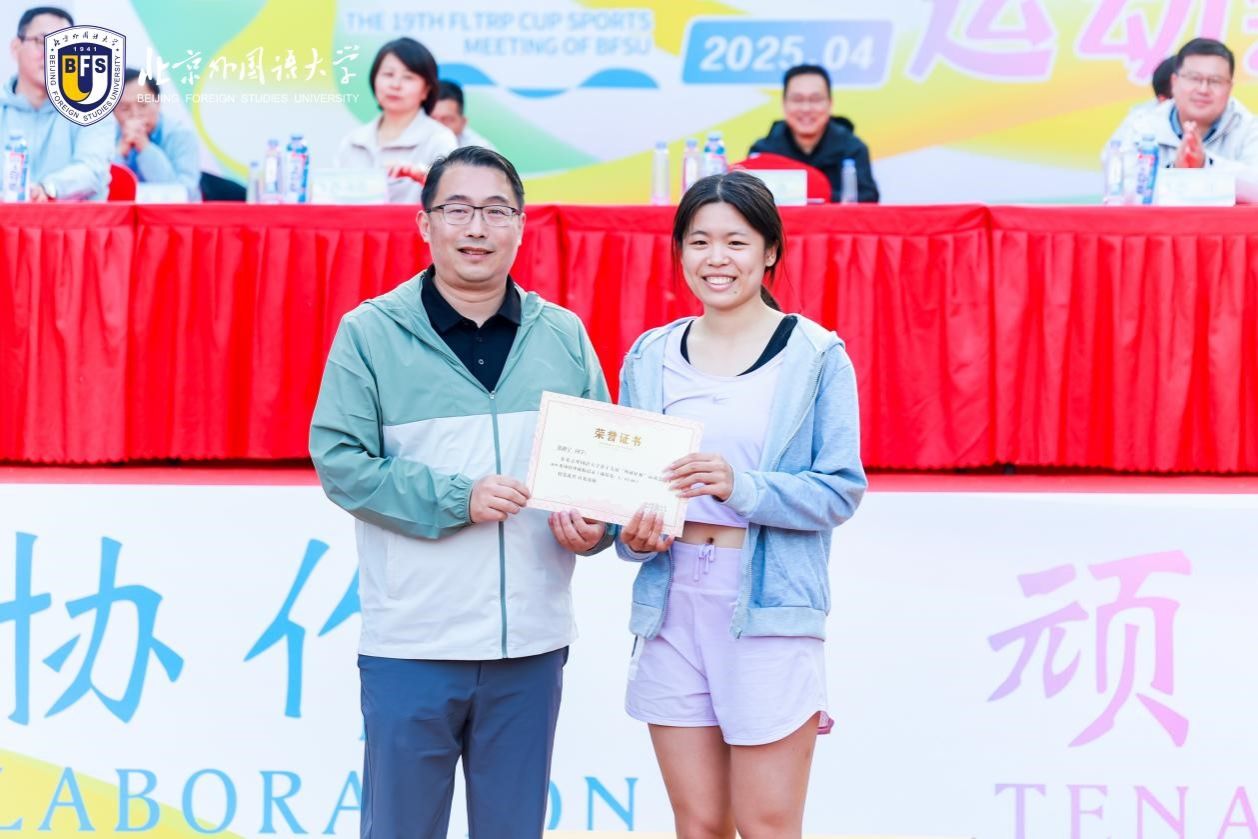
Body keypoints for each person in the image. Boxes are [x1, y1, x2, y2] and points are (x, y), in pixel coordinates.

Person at [310, 145, 613, 839]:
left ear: (521, 225)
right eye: (457, 209)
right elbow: (341, 462)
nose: (477, 227)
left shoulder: (562, 335)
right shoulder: (370, 333)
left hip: (529, 647)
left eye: (497, 211)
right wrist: (457, 497)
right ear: (425, 223)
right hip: (414, 643)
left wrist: (599, 528)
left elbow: (602, 472)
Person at [612, 170, 867, 838]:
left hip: (767, 608)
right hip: (671, 603)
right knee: (698, 823)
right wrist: (633, 535)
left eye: (736, 241)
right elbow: (629, 492)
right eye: (699, 242)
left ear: (770, 250)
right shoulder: (649, 355)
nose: (715, 259)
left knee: (766, 824)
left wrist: (741, 486)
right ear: (680, 251)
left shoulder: (815, 355)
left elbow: (839, 489)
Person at [1106, 38, 1258, 200]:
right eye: (1194, 78)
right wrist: (1176, 171)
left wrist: (1205, 163)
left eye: (1215, 81)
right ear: (1174, 82)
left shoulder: (1249, 128)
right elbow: (1122, 192)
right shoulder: (1142, 125)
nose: (1203, 89)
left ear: (1230, 87)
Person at [1, 6, 112, 201]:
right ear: (16, 47)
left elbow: (93, 169)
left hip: (72, 219)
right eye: (42, 41)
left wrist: (48, 188)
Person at [336, 37, 457, 204]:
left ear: (426, 90)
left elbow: (453, 197)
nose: (395, 84)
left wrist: (422, 175)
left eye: (408, 77)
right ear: (374, 80)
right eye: (388, 74)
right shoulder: (353, 142)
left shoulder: (439, 139)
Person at [748, 64, 878, 203]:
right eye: (797, 99)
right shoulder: (762, 151)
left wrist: (818, 197)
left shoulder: (853, 150)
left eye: (815, 99)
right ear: (784, 104)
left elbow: (868, 199)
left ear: (830, 104)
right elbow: (748, 202)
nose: (806, 108)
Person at [113, 68, 201, 200]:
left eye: (142, 105)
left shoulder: (182, 135)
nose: (135, 115)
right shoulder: (106, 135)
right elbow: (101, 190)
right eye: (125, 108)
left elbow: (185, 193)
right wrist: (119, 153)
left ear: (158, 102)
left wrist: (145, 147)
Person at [432, 79, 496, 150]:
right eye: (432, 119)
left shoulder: (481, 150)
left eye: (447, 120)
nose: (438, 126)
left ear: (463, 123)